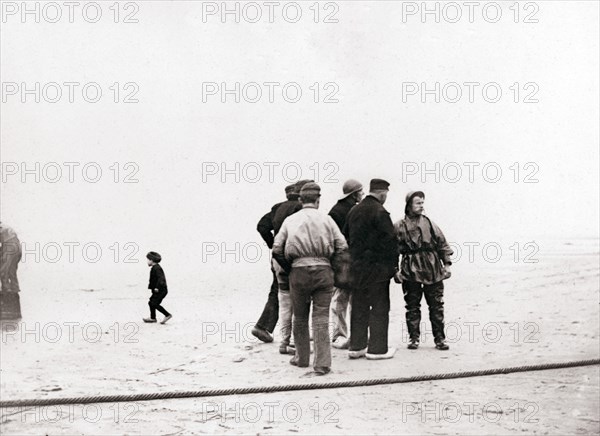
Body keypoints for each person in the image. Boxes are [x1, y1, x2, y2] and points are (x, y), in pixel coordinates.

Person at [272, 182, 348, 375]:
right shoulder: (327, 220)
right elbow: (342, 246)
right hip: (323, 271)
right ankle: (322, 363)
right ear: (318, 200)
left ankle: (301, 358)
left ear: (300, 199)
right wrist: (331, 265)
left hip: (298, 272)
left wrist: (290, 268)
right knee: (321, 318)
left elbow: (277, 249)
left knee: (300, 317)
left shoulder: (290, 221)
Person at [344, 179, 398, 360]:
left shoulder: (354, 211)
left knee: (359, 307)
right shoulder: (380, 212)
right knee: (379, 308)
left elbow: (345, 237)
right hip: (378, 270)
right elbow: (390, 242)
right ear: (382, 193)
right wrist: (394, 268)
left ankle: (356, 346)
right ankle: (377, 349)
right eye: (386, 195)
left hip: (357, 268)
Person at [253, 181, 312, 344]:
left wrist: (273, 244)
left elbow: (262, 226)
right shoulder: (301, 209)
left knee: (278, 290)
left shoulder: (277, 207)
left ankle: (263, 326)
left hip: (277, 257)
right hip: (294, 256)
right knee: (299, 293)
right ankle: (295, 335)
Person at [394, 191, 453, 350]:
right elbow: (392, 250)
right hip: (410, 270)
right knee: (412, 306)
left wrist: (446, 265)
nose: (421, 206)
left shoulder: (430, 223)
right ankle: (414, 338)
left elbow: (442, 245)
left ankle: (440, 339)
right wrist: (395, 271)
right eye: (418, 203)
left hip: (432, 269)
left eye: (422, 203)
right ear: (409, 205)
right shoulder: (399, 226)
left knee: (436, 306)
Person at [328, 179, 363, 349]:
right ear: (354, 194)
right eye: (360, 192)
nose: (362, 195)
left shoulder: (335, 210)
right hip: (348, 260)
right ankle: (341, 335)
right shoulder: (350, 210)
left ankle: (340, 335)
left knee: (341, 298)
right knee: (345, 298)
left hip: (341, 260)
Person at [0, 222, 22, 319]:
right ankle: (14, 289)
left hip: (9, 245)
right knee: (12, 271)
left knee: (3, 270)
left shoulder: (3, 228)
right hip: (17, 246)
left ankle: (6, 290)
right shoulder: (6, 227)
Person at [143, 251, 172, 324]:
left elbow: (161, 278)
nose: (147, 261)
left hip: (160, 290)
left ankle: (167, 315)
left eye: (148, 260)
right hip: (158, 290)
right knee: (151, 302)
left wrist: (157, 287)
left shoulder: (157, 268)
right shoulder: (154, 267)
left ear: (151, 260)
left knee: (154, 303)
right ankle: (153, 318)